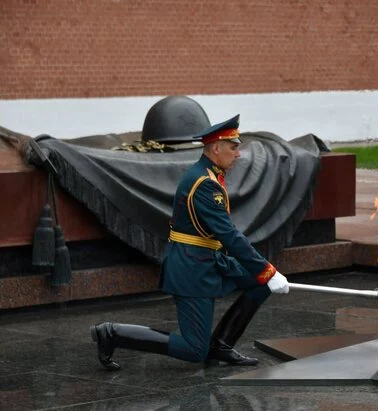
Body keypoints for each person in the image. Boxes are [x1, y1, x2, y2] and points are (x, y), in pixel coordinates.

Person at [89, 115, 290, 370]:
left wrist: (264, 274)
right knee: (195, 350)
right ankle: (112, 333)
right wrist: (267, 270)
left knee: (260, 284)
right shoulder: (205, 183)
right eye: (234, 147)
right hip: (192, 267)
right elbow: (229, 235)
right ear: (216, 148)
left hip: (207, 258)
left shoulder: (210, 174)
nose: (238, 154)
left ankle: (221, 346)